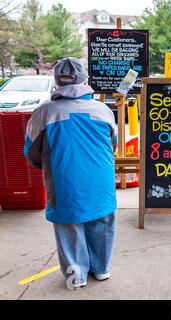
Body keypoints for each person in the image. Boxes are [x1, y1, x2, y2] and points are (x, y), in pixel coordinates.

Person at [24, 57, 118, 289]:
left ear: (56, 80)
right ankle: (102, 269)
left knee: (69, 225)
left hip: (64, 181)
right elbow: (112, 144)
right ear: (84, 79)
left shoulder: (44, 113)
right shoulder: (103, 110)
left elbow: (32, 151)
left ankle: (77, 276)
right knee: (102, 221)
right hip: (101, 180)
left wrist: (42, 165)